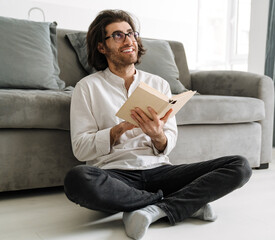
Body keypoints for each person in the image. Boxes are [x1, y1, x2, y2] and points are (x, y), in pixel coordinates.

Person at [64, 9, 252, 240]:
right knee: (77, 180)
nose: (129, 40)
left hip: (161, 170)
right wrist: (119, 129)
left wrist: (157, 136)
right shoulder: (87, 87)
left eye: (130, 33)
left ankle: (150, 208)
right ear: (102, 47)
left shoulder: (158, 84)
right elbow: (81, 148)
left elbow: (168, 141)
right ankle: (182, 204)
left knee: (239, 166)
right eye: (118, 35)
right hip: (116, 175)